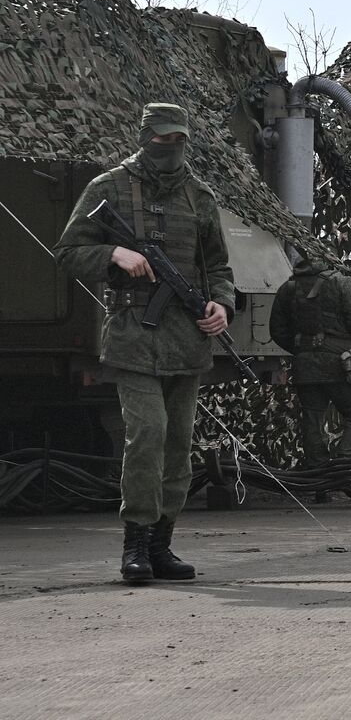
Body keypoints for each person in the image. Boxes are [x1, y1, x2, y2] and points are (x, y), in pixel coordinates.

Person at [55, 103, 235, 583]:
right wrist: (113, 251)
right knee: (147, 436)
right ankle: (134, 543)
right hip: (134, 334)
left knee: (178, 445)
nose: (169, 148)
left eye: (178, 140)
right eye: (161, 140)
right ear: (144, 137)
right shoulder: (108, 187)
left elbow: (218, 266)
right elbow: (69, 251)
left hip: (187, 337)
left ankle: (161, 546)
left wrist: (222, 305)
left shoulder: (200, 197)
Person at [268, 252, 351, 500]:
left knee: (313, 419)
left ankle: (320, 482)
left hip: (305, 365)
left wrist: (302, 348)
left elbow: (277, 330)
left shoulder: (287, 288)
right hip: (341, 362)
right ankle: (345, 472)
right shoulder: (341, 281)